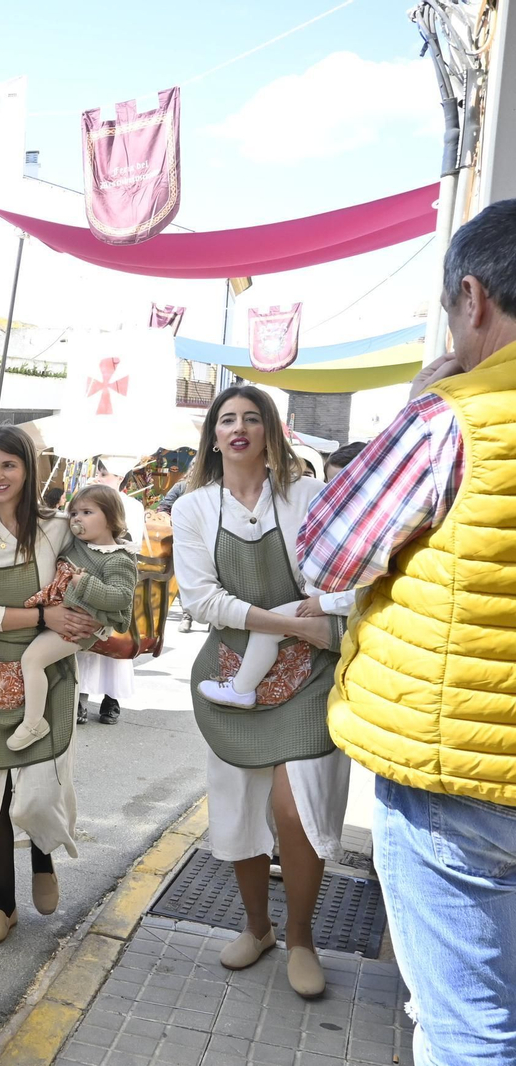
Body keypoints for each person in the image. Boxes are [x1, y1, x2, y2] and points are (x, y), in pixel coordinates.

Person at [297, 200, 516, 1066]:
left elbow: (327, 555)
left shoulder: (449, 419)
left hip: (453, 778)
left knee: (470, 1033)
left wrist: (420, 404)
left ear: (472, 298)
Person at [171, 385, 347, 999]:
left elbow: (336, 571)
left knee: (295, 808)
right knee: (240, 806)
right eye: (227, 420)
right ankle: (257, 927)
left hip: (309, 677)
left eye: (252, 418)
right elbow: (201, 599)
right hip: (232, 673)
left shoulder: (305, 495)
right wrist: (294, 623)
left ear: (270, 430)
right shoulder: (193, 508)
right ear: (213, 435)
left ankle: (302, 937)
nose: (239, 428)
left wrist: (315, 621)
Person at [0, 426, 97, 944]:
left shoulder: (57, 528)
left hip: (46, 676)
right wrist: (40, 617)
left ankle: (45, 856)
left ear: (28, 469)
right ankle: (3, 905)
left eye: (9, 464)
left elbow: (98, 569)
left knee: (34, 795)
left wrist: (91, 616)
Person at [10, 484, 138, 750]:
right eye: (74, 513)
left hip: (79, 626)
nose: (77, 519)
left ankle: (34, 723)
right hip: (57, 613)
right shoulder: (77, 545)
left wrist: (84, 582)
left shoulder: (118, 559)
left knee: (32, 660)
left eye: (87, 512)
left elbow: (121, 597)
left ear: (111, 517)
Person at [75, 459, 147, 725]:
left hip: (116, 571)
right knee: (85, 642)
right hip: (87, 571)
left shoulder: (132, 505)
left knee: (116, 642)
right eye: (99, 472)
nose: (100, 477)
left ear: (119, 477)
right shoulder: (85, 497)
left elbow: (133, 542)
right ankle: (79, 699)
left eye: (105, 474)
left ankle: (111, 700)